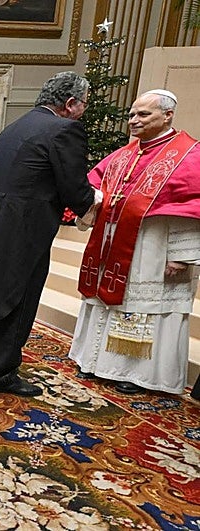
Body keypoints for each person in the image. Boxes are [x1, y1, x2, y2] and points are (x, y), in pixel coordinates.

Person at [0, 71, 98, 397]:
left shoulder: (16, 126)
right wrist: (94, 201)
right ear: (70, 103)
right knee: (18, 299)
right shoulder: (64, 129)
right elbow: (74, 188)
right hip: (25, 229)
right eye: (84, 104)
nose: (83, 111)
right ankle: (2, 373)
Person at [69, 89, 200, 395]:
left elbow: (192, 209)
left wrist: (181, 256)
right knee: (106, 300)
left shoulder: (189, 155)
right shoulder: (125, 153)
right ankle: (95, 362)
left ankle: (136, 374)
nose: (133, 120)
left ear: (167, 115)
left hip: (156, 248)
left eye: (143, 114)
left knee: (145, 307)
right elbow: (96, 187)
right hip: (113, 245)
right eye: (131, 114)